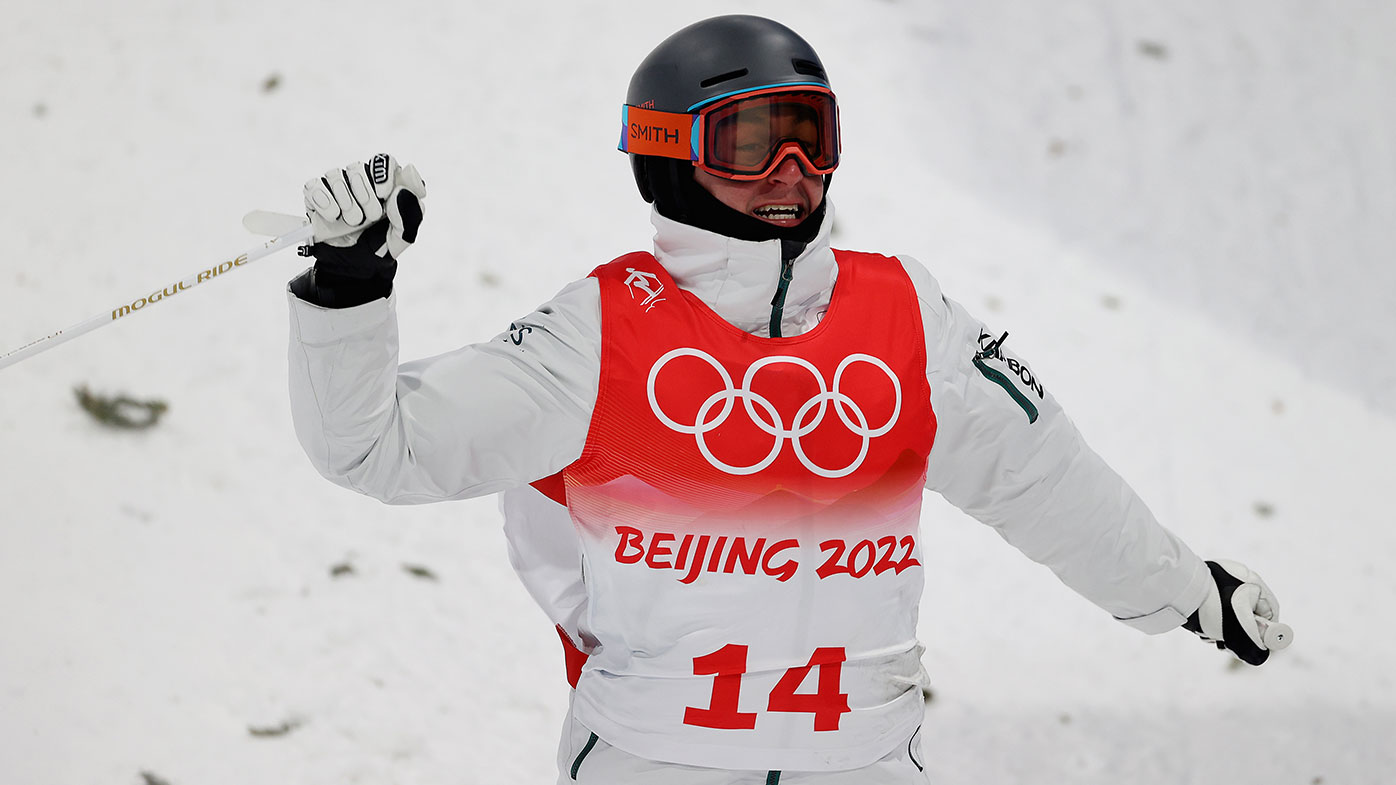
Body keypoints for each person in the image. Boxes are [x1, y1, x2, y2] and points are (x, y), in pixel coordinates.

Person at [283, 14, 1289, 784]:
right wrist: (350, 288)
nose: (791, 173)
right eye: (748, 142)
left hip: (860, 754)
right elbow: (378, 449)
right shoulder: (604, 329)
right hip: (653, 755)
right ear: (668, 150)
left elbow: (1044, 478)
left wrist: (1187, 590)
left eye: (810, 137)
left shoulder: (907, 316)